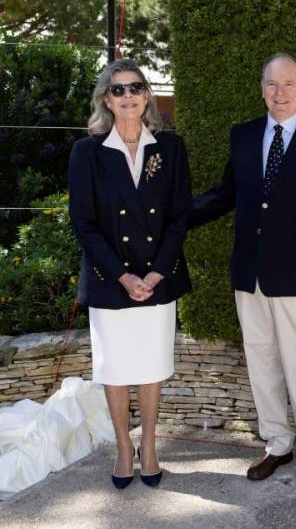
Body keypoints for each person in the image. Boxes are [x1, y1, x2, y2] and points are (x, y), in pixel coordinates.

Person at [190, 54, 296, 486]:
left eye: (288, 84)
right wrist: (172, 218)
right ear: (262, 87)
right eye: (271, 84)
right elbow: (227, 195)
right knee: (260, 363)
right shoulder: (243, 137)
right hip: (250, 276)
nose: (279, 93)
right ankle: (277, 444)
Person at [68, 59, 192, 489]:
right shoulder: (87, 152)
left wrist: (156, 274)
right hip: (109, 278)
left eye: (136, 87)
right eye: (118, 90)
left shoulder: (169, 148)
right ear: (106, 98)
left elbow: (179, 217)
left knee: (152, 366)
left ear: (147, 95)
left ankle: (151, 446)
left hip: (158, 278)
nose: (128, 96)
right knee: (116, 369)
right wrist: (124, 277)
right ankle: (124, 448)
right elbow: (84, 223)